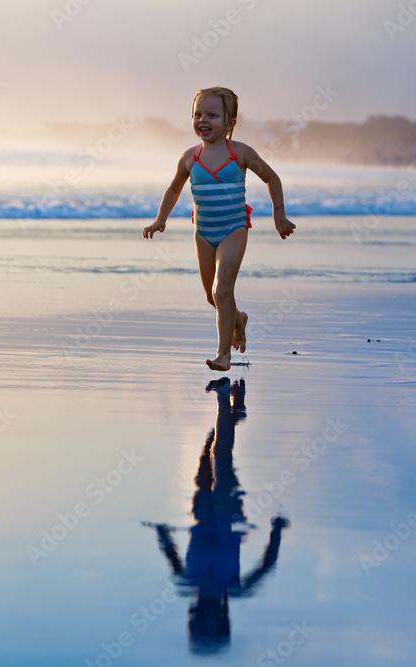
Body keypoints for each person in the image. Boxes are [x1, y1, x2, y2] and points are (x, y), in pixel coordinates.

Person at [143, 87, 296, 370]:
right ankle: (237, 318)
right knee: (212, 296)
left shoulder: (239, 152)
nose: (203, 120)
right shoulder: (190, 157)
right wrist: (160, 219)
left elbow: (271, 178)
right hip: (203, 233)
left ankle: (223, 354)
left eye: (212, 115)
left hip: (233, 229)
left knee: (222, 290)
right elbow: (174, 188)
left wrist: (279, 217)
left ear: (230, 123)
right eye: (198, 114)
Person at [143, 378, 289, 654]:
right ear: (221, 622)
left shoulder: (187, 583)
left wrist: (161, 532)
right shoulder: (234, 589)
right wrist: (277, 530)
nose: (194, 620)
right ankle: (224, 397)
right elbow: (267, 564)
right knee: (220, 454)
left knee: (209, 448)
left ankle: (238, 410)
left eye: (192, 626)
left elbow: (170, 551)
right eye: (201, 625)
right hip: (227, 512)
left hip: (200, 511)